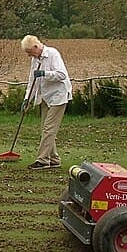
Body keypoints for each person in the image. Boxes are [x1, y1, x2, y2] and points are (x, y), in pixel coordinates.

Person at [21, 35, 73, 170]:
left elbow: (62, 75)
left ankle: (43, 160)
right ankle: (54, 159)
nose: (29, 55)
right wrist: (27, 99)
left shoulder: (53, 54)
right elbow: (32, 80)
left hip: (58, 96)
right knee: (45, 128)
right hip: (45, 97)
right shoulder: (35, 60)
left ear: (36, 47)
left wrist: (45, 73)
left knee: (48, 128)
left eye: (29, 52)